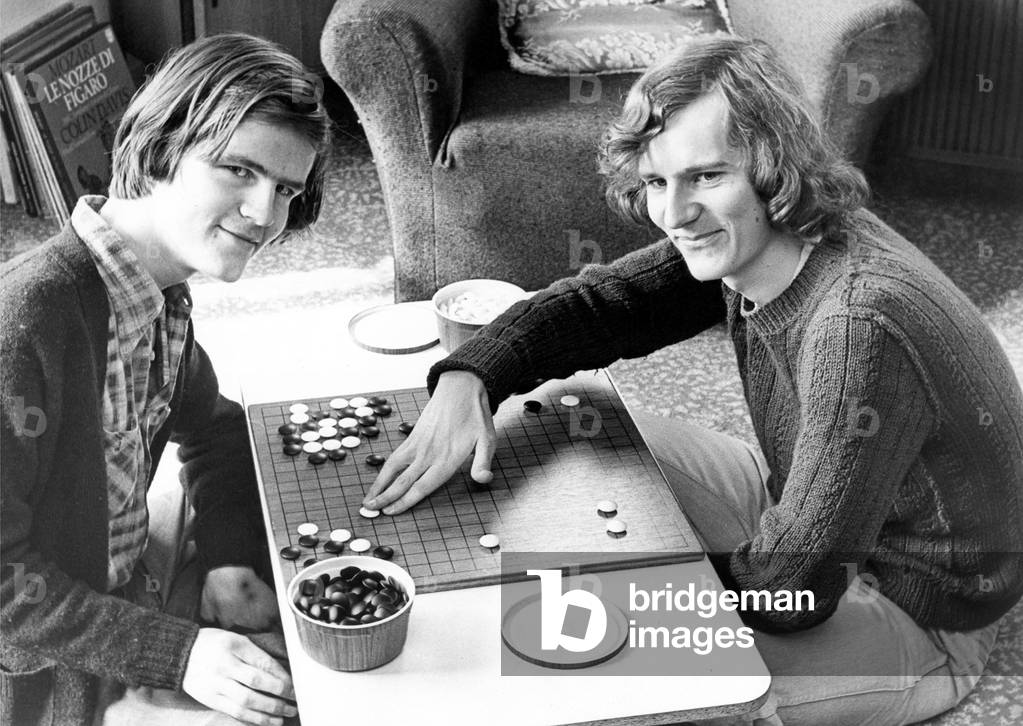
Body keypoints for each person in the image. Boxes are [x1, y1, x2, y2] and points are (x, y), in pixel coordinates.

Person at [362, 37, 1023, 725]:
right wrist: (469, 377)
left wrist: (632, 590)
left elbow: (788, 591)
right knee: (557, 404)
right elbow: (593, 307)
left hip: (921, 607)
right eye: (656, 181)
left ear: (775, 169)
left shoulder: (857, 326)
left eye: (706, 177)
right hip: (805, 509)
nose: (673, 215)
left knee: (604, 672)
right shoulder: (767, 233)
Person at [1, 33, 331, 726]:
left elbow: (215, 427)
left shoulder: (156, 292)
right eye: (238, 171)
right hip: (45, 670)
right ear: (159, 152)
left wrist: (229, 555)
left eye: (285, 190)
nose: (265, 216)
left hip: (127, 584)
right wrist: (174, 654)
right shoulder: (29, 322)